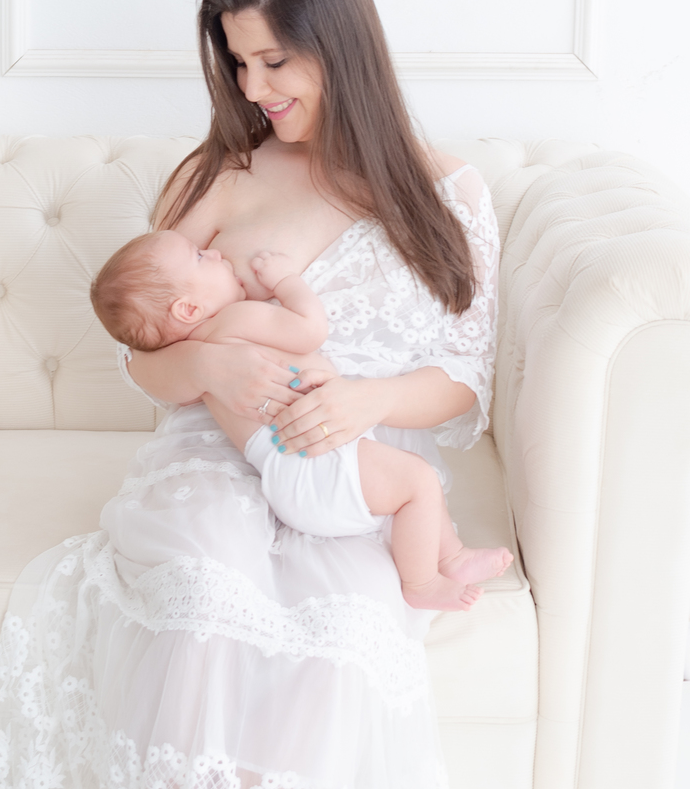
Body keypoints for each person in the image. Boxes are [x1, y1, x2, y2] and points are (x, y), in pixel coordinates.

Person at [0, 0, 500, 789]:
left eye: (276, 63)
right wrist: (209, 360)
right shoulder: (217, 173)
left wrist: (363, 402)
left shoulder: (445, 188)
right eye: (240, 65)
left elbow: (462, 383)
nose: (258, 91)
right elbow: (145, 363)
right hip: (217, 449)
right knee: (211, 598)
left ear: (343, 46)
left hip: (348, 464)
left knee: (346, 636)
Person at [89, 230, 512, 610]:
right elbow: (310, 331)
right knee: (418, 482)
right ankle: (426, 578)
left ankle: (447, 558)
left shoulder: (199, 356)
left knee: (411, 482)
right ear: (187, 308)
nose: (217, 253)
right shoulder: (234, 320)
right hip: (315, 461)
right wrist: (285, 281)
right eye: (201, 257)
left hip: (293, 470)